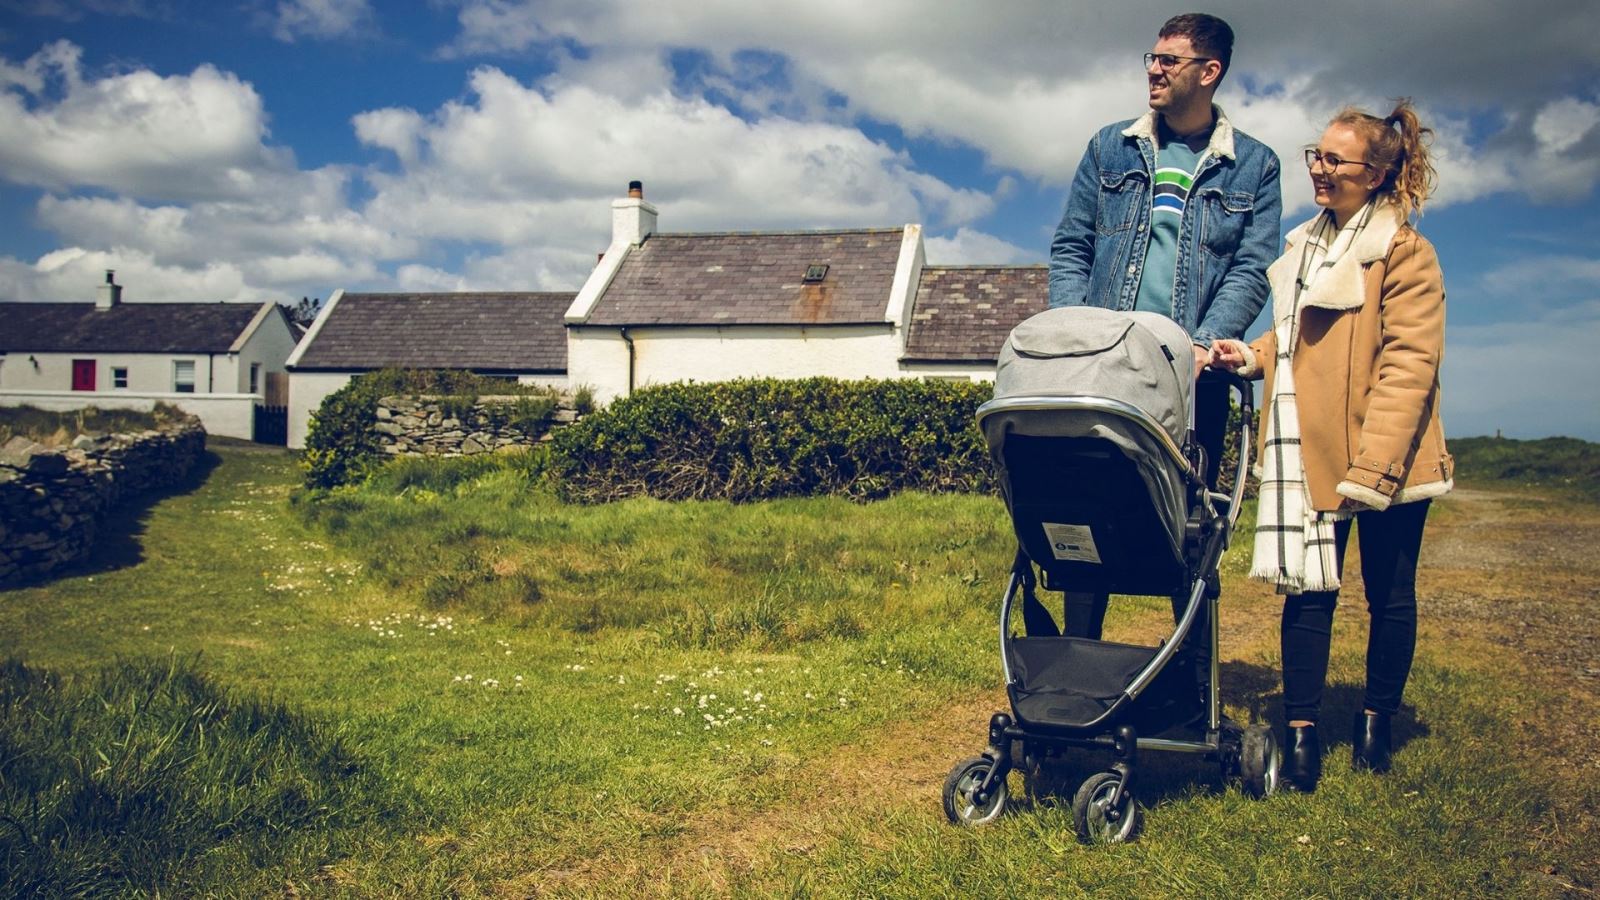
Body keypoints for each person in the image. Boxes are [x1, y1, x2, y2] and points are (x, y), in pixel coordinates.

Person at [1210, 100, 1452, 792]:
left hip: (1389, 457)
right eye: (1314, 156)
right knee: (1308, 594)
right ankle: (1303, 734)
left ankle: (1376, 724)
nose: (1318, 170)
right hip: (1310, 445)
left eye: (1333, 160)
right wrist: (1250, 356)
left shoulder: (1404, 253)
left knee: (1389, 594)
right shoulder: (1302, 248)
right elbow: (1299, 341)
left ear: (1375, 173)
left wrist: (1375, 467)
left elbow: (1408, 366)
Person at [1048, 12, 1281, 642]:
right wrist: (1073, 328)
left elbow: (1253, 268)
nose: (1153, 69)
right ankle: (1076, 666)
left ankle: (1187, 681)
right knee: (1085, 511)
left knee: (1191, 525)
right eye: (1151, 58)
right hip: (1101, 365)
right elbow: (1072, 246)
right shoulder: (1109, 147)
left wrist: (1203, 346)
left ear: (1210, 72)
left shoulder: (1254, 165)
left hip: (1190, 375)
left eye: (1169, 60)